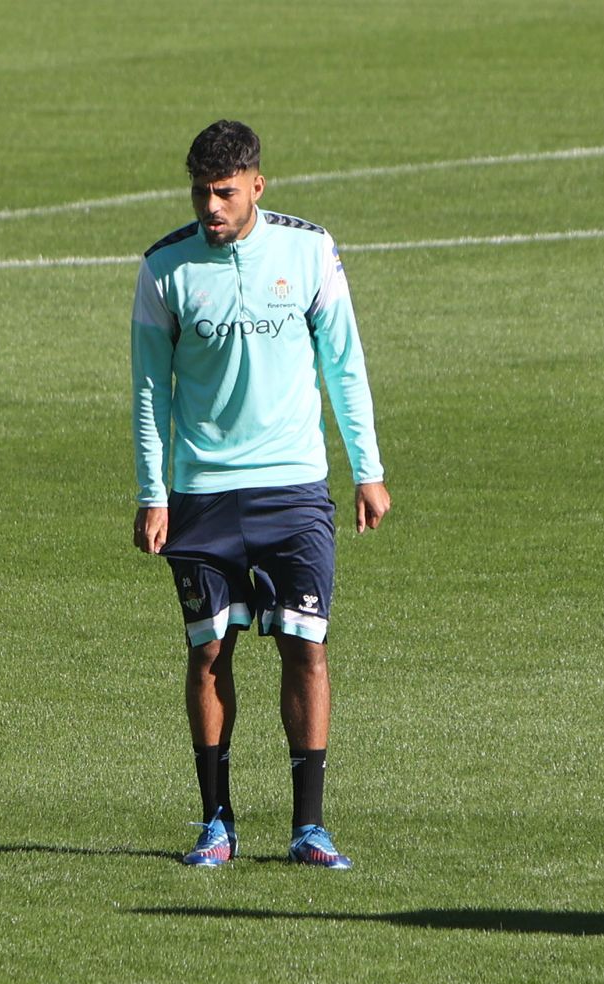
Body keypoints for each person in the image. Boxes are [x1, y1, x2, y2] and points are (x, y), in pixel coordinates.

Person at [129, 121, 391, 870]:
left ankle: (310, 827)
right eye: (200, 193)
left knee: (306, 647)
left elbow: (344, 363)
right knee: (209, 650)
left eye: (224, 192)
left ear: (256, 186)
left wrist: (366, 469)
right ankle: (216, 823)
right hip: (202, 493)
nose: (211, 207)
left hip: (293, 487)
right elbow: (149, 390)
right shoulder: (164, 268)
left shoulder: (309, 251)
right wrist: (153, 492)